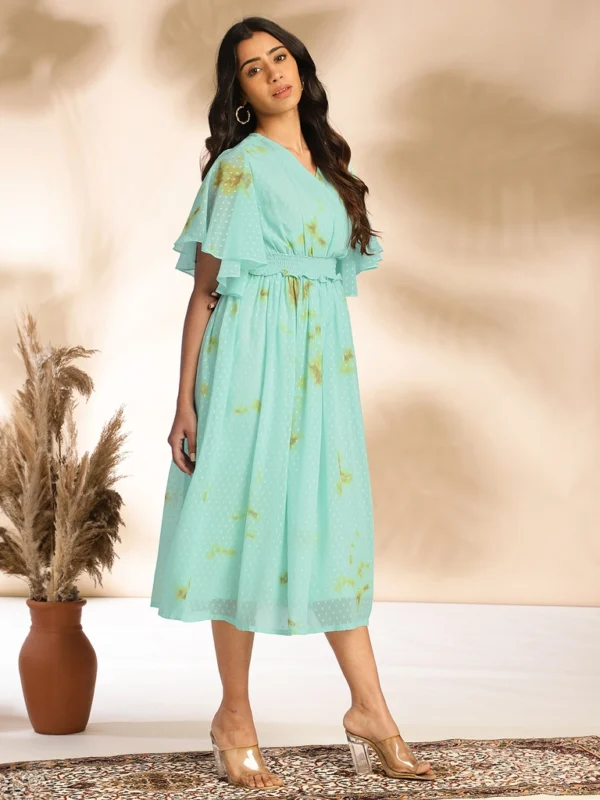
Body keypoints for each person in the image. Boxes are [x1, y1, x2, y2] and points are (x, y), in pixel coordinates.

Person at [150, 15, 435, 791]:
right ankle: (234, 717)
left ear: (299, 66)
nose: (273, 72)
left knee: (332, 523)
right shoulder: (238, 169)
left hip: (319, 367)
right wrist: (185, 403)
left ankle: (370, 708)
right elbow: (205, 294)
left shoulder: (332, 165)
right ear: (239, 93)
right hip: (247, 363)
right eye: (253, 68)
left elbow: (332, 274)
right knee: (237, 520)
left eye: (280, 57)